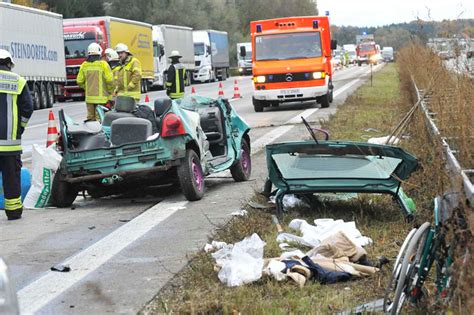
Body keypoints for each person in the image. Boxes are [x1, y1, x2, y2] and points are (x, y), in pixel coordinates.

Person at [0, 49, 33, 220]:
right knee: (11, 177)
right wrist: (19, 128)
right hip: (9, 143)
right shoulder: (18, 81)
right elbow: (28, 108)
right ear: (9, 64)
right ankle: (13, 212)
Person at [76, 43, 113, 121]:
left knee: (90, 119)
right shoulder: (103, 64)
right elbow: (109, 80)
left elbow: (79, 81)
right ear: (99, 53)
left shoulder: (84, 65)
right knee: (100, 119)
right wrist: (109, 91)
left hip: (89, 99)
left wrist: (87, 87)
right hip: (102, 99)